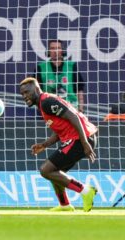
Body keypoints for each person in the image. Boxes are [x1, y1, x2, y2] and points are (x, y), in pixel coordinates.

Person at [19, 77, 98, 212]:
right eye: (22, 94)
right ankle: (65, 205)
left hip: (80, 138)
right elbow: (59, 131)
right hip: (78, 138)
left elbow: (74, 117)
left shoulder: (47, 102)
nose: (24, 96)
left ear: (37, 89)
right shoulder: (43, 104)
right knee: (55, 172)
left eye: (27, 92)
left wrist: (84, 142)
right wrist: (44, 145)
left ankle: (85, 191)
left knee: (46, 170)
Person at [35, 39, 85, 112]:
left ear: (63, 50)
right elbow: (36, 91)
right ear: (48, 51)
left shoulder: (71, 66)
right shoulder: (41, 68)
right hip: (49, 109)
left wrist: (81, 109)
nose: (55, 51)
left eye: (58, 48)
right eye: (52, 48)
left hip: (71, 109)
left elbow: (79, 89)